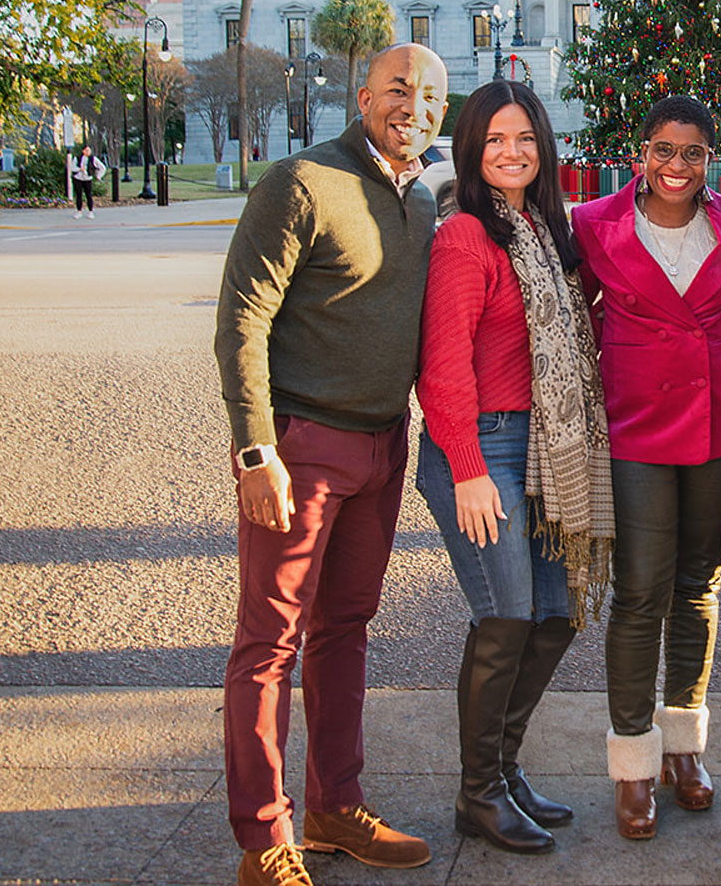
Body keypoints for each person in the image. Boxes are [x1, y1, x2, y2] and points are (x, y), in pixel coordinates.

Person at [214, 44, 448, 886]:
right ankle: (264, 835)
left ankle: (333, 806)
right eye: (396, 88)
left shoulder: (421, 198)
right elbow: (241, 319)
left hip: (386, 446)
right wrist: (255, 450)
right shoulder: (301, 182)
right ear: (363, 96)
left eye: (427, 95)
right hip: (301, 446)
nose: (411, 105)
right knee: (269, 642)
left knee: (345, 631)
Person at [415, 79, 612, 857]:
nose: (511, 152)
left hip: (546, 445)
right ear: (471, 148)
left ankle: (503, 766)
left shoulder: (541, 229)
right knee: (505, 615)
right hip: (482, 448)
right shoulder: (467, 234)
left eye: (524, 138)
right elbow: (443, 367)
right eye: (495, 139)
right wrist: (465, 466)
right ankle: (479, 793)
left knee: (557, 612)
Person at [571, 96, 721, 840]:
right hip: (638, 427)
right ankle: (634, 765)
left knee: (698, 585)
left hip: (718, 425)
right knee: (642, 592)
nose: (678, 165)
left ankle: (683, 751)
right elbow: (568, 319)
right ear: (640, 151)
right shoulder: (595, 223)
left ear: (712, 158)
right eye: (663, 150)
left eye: (694, 152)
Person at [70, 144, 104, 217]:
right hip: (78, 178)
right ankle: (79, 211)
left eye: (89, 150)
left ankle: (90, 211)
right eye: (86, 150)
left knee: (89, 195)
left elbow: (102, 167)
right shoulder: (77, 158)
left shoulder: (93, 159)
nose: (88, 152)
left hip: (88, 179)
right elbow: (72, 167)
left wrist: (98, 176)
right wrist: (79, 169)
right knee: (79, 195)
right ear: (83, 151)